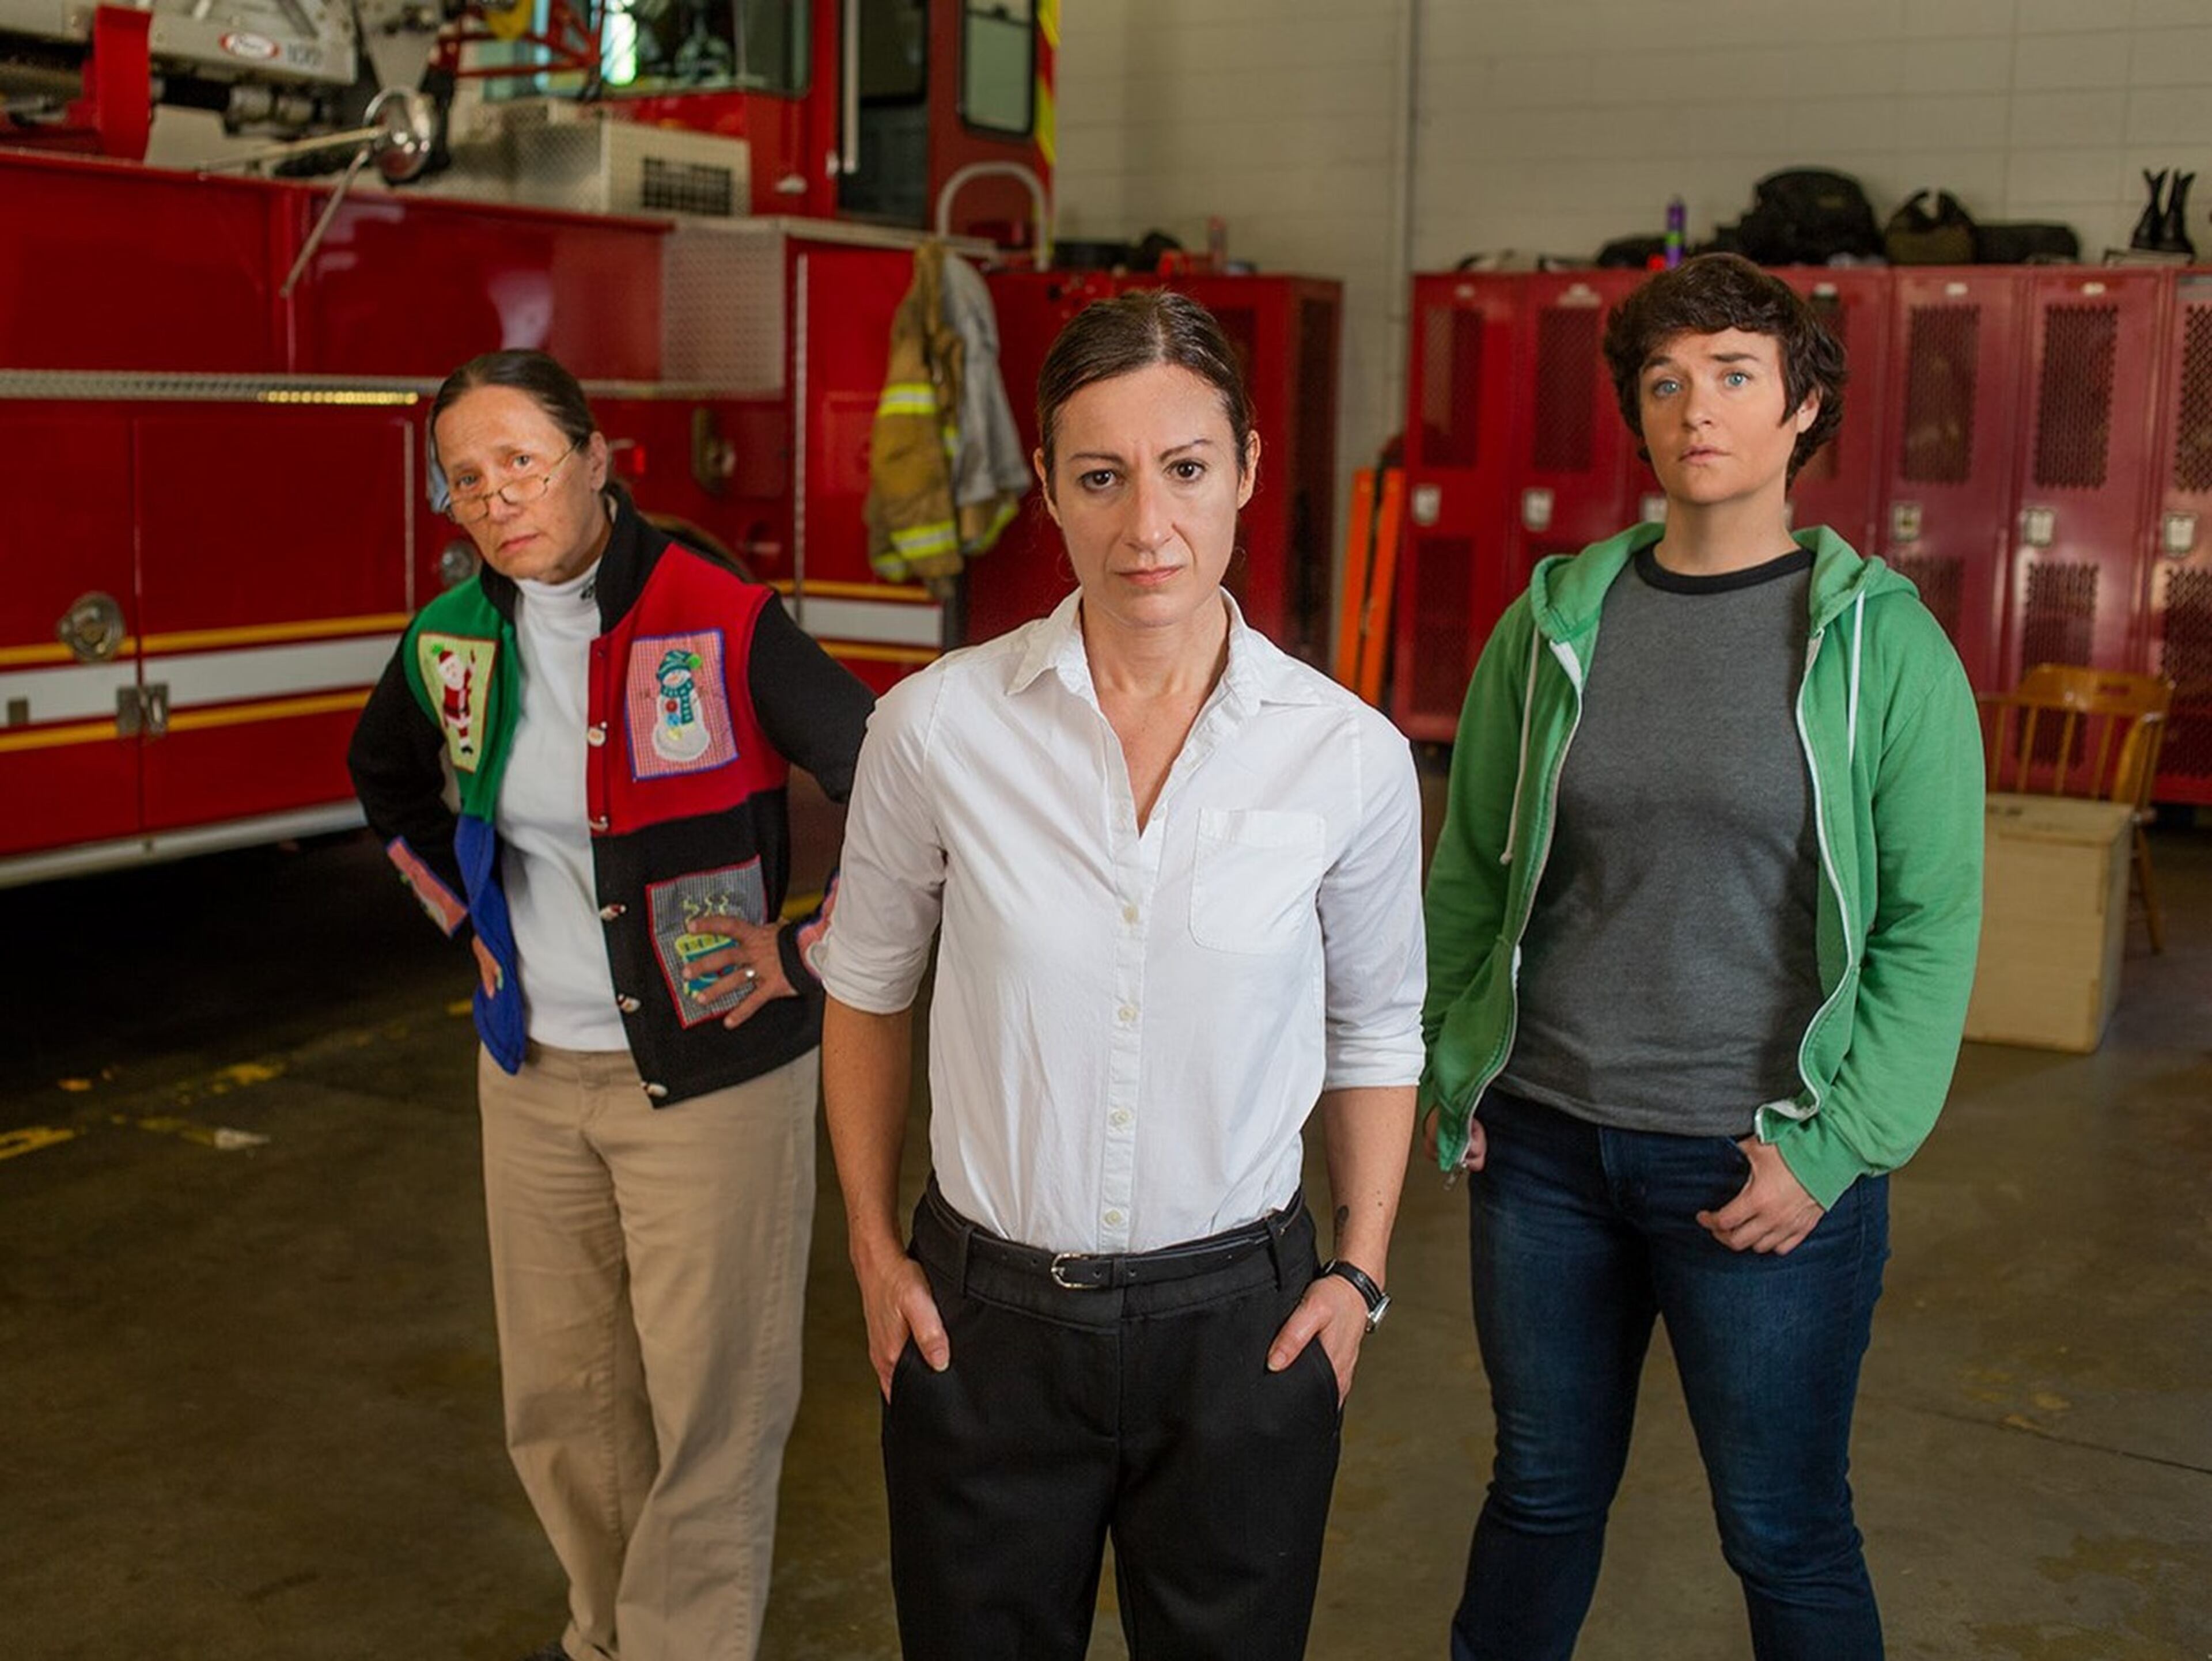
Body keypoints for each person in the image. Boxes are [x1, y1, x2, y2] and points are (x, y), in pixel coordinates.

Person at [818, 290, 1426, 1660]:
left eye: (1186, 470)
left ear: (1248, 472)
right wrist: (869, 1246)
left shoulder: (1346, 755)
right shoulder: (935, 730)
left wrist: (1363, 1270)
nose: (1147, 525)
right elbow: (867, 984)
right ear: (1046, 486)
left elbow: (1380, 1026)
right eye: (1101, 476)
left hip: (1244, 1333)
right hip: (985, 1326)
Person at [1421, 253, 1984, 1660]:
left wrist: (1837, 1145)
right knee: (1538, 1495)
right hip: (1547, 1151)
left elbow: (1932, 923)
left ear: (1803, 409)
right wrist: (1456, 1065)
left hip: (1758, 1165)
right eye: (1666, 382)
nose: (1697, 408)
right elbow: (1471, 872)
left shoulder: (1882, 648)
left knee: (1784, 1528)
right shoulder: (1556, 621)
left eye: (1735, 375)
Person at [347, 349, 873, 1661]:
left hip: (714, 1080)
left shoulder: (718, 612)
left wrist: (811, 945)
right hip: (531, 1077)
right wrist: (467, 926)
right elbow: (386, 779)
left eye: (520, 459)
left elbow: (889, 772)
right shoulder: (454, 642)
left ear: (594, 456)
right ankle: (607, 1633)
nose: (495, 496)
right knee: (563, 1398)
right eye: (465, 479)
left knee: (712, 1406)